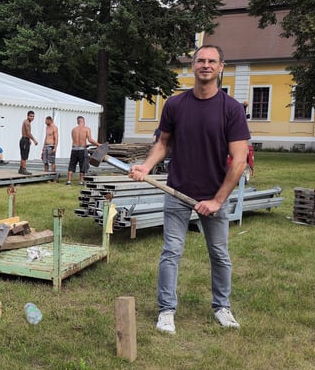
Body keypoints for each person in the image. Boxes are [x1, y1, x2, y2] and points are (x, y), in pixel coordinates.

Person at [128, 44, 250, 335]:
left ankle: (222, 307)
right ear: (193, 66)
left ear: (221, 67)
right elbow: (163, 143)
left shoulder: (231, 109)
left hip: (213, 195)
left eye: (212, 61)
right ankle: (166, 311)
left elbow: (240, 161)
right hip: (177, 192)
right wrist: (146, 167)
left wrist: (218, 201)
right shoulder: (175, 105)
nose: (205, 65)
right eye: (200, 60)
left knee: (219, 254)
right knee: (171, 252)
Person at [66, 116, 101, 186]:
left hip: (74, 149)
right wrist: (98, 144)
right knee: (82, 165)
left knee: (72, 165)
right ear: (83, 121)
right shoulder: (86, 129)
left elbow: (74, 140)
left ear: (77, 122)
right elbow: (90, 139)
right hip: (82, 150)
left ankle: (69, 181)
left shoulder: (73, 130)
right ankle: (81, 182)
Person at [18, 111, 37, 175]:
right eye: (31, 116)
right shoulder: (27, 123)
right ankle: (24, 169)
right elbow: (28, 133)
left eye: (33, 116)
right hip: (24, 140)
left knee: (23, 155)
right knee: (24, 156)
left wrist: (29, 139)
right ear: (27, 116)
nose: (32, 117)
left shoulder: (27, 122)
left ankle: (21, 168)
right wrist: (34, 140)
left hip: (25, 139)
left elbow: (26, 133)